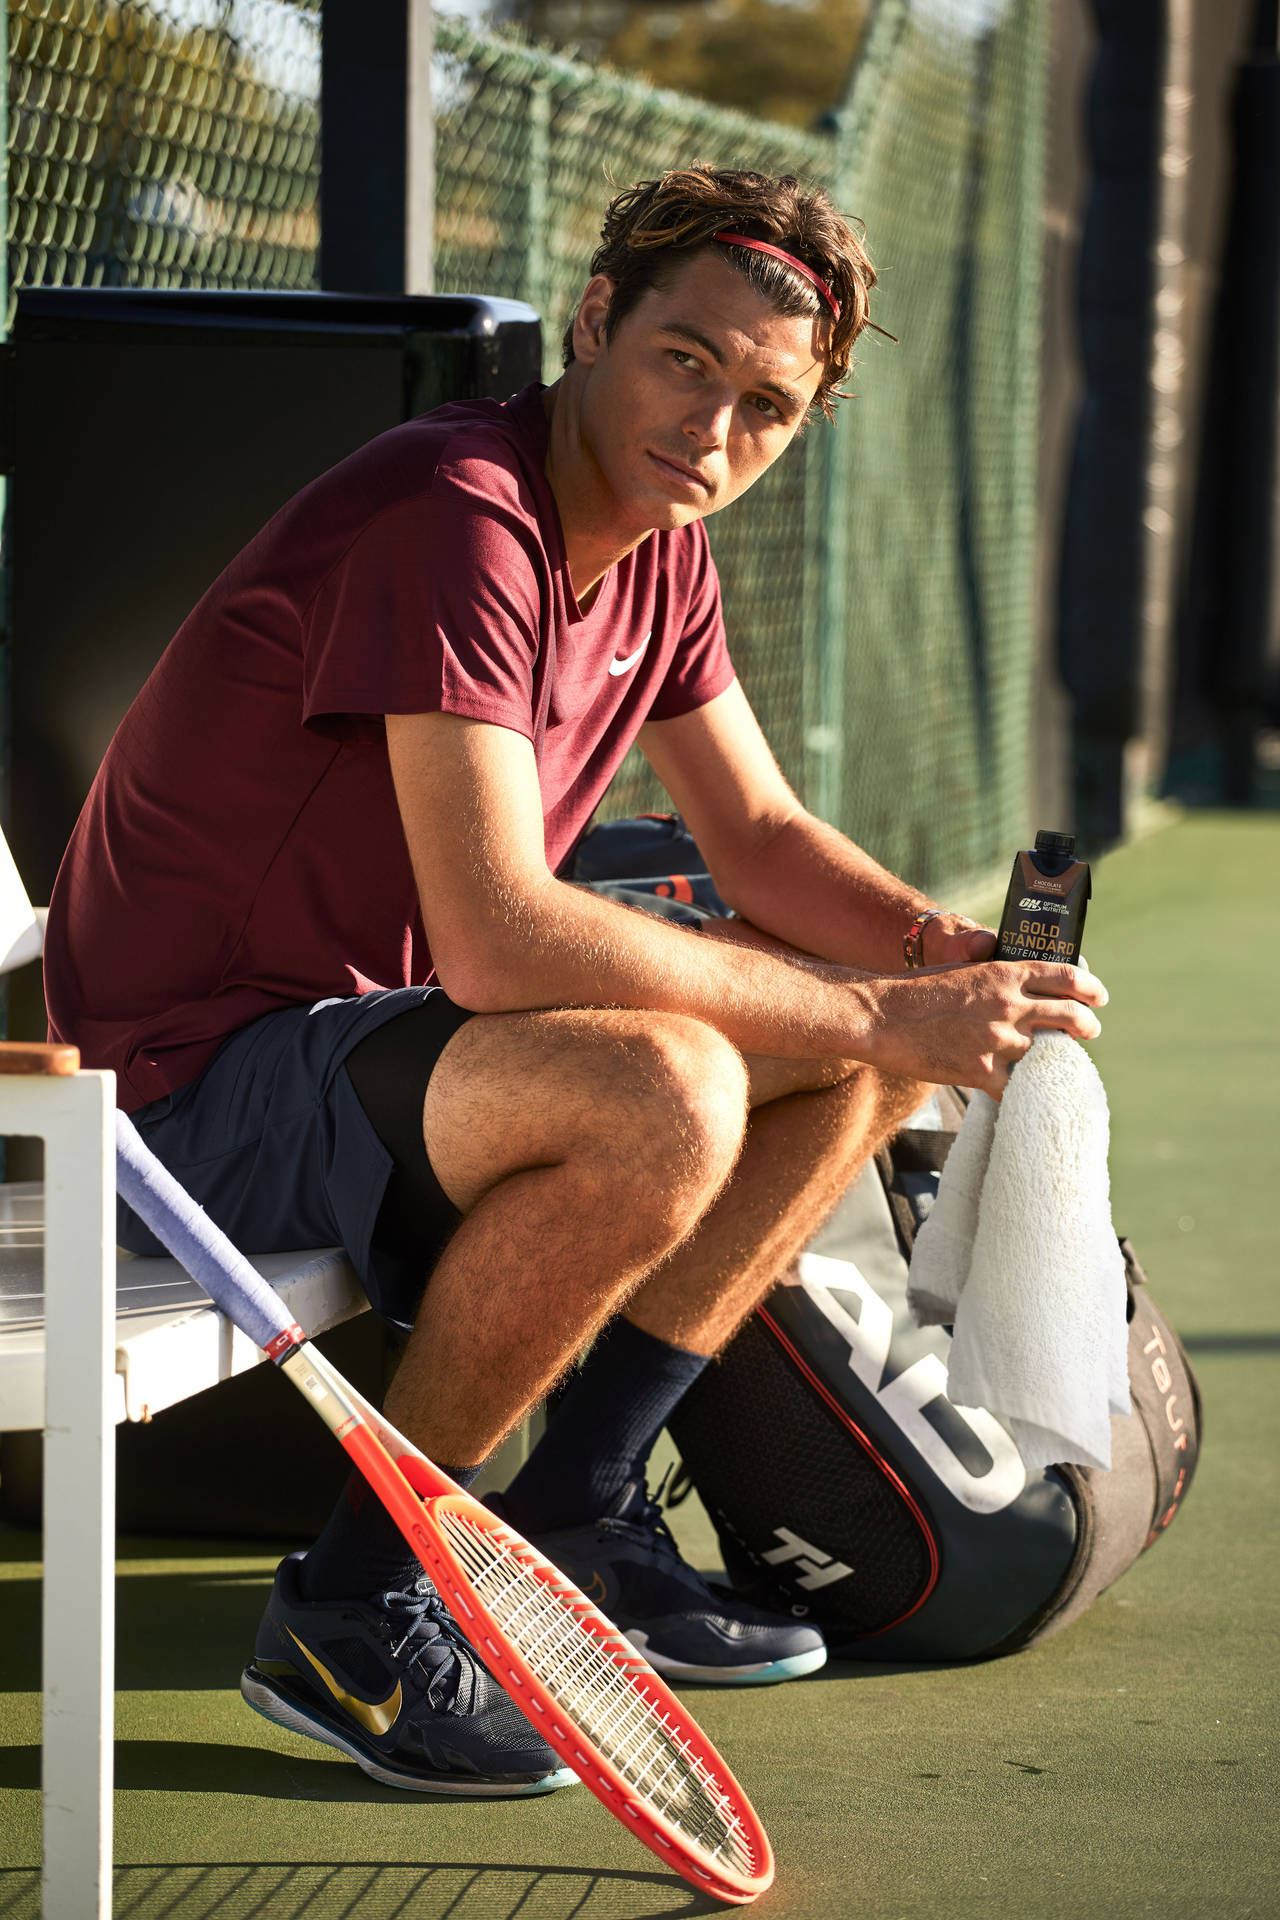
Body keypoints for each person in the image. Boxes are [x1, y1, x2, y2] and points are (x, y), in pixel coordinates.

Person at [45, 166, 1107, 1797]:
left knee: (842, 1042)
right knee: (669, 1089)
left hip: (363, 1048)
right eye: (687, 360)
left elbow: (754, 829)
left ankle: (577, 1515)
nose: (715, 426)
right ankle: (352, 1605)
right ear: (598, 322)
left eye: (767, 403)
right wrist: (879, 1006)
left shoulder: (658, 547)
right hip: (171, 1100)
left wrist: (937, 961)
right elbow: (496, 934)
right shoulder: (452, 514)